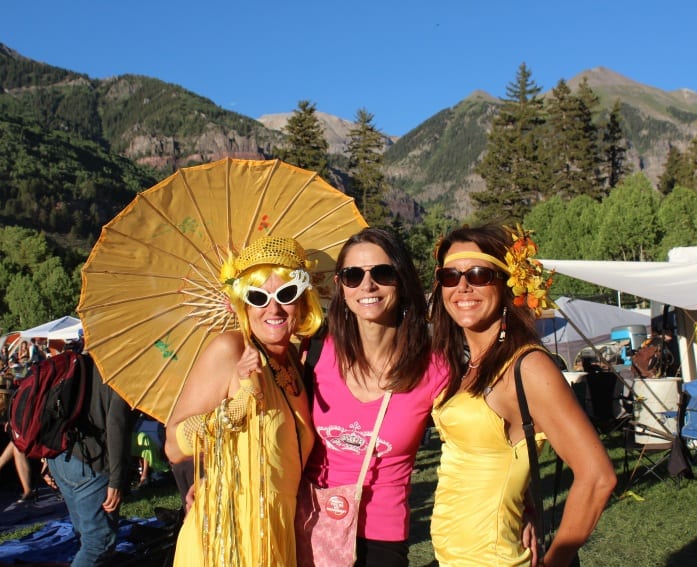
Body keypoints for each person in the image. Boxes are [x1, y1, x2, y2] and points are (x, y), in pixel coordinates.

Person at [429, 225, 616, 567]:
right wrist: (525, 500)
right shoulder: (467, 364)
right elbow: (505, 452)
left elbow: (598, 476)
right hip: (454, 556)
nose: (463, 286)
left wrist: (555, 562)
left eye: (479, 274)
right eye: (450, 275)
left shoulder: (528, 367)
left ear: (507, 284)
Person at [165, 235, 324, 566]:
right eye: (258, 297)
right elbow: (174, 444)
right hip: (228, 541)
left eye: (286, 294)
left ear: (303, 301)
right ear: (244, 304)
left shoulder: (295, 360)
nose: (274, 309)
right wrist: (237, 406)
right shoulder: (230, 350)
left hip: (278, 534)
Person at [301, 227, 447, 566]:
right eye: (353, 275)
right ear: (340, 286)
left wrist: (524, 502)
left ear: (403, 280)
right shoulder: (314, 352)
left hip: (382, 536)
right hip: (309, 519)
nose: (367, 286)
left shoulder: (434, 368)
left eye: (382, 273)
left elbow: (480, 437)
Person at [44, 340, 134, 567]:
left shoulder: (74, 364)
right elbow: (116, 427)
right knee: (99, 542)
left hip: (60, 458)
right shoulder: (116, 373)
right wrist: (116, 479)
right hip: (89, 463)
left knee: (85, 535)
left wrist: (44, 458)